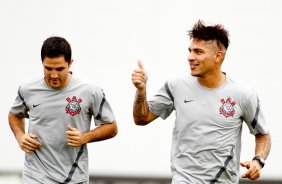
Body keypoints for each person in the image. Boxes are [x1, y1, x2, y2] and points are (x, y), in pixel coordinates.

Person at [131, 20, 271, 183]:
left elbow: (262, 134)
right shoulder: (175, 86)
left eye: (198, 52)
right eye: (190, 51)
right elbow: (141, 119)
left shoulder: (243, 94)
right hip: (183, 180)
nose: (190, 57)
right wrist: (141, 90)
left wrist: (258, 161)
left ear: (218, 56)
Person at [8, 36, 118, 184]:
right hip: (35, 175)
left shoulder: (90, 91)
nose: (53, 74)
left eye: (59, 69)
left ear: (70, 63)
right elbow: (14, 114)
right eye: (48, 68)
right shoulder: (27, 90)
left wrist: (85, 137)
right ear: (42, 63)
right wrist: (20, 136)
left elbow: (112, 127)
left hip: (73, 177)